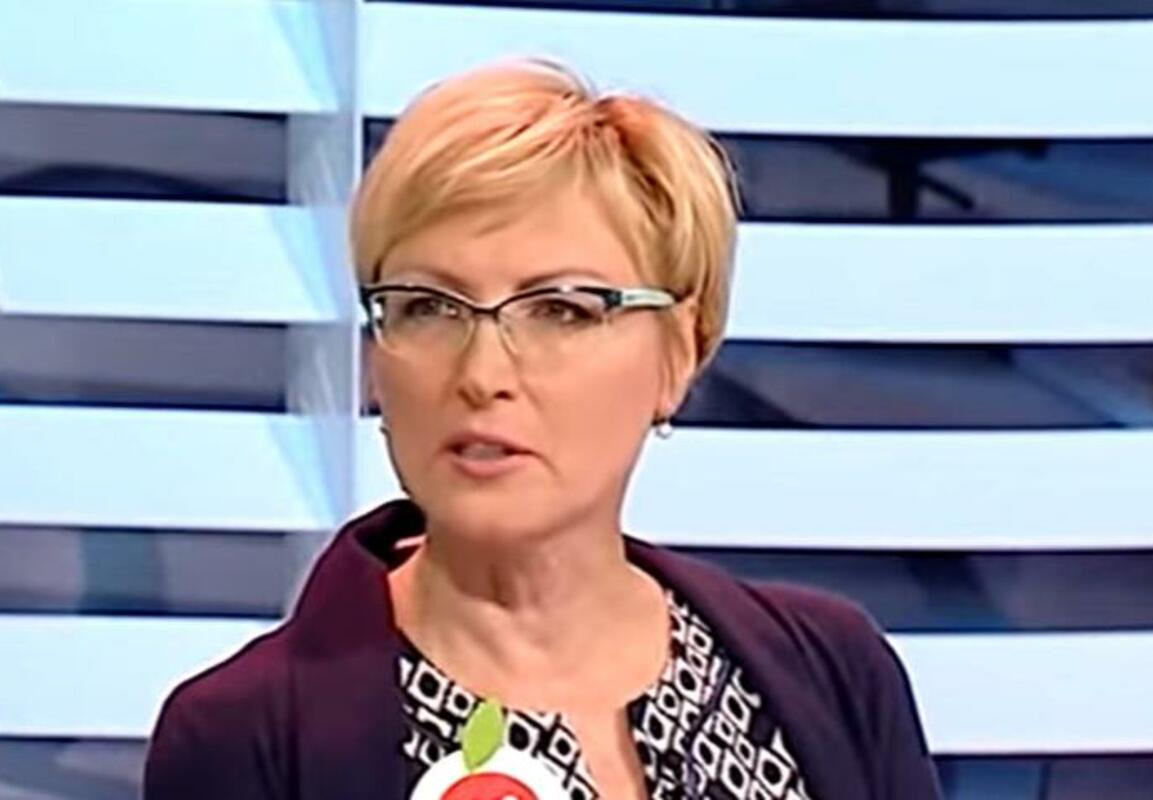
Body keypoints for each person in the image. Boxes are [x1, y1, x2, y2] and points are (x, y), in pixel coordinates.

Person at [144, 58, 942, 800]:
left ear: (679, 351)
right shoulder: (241, 736)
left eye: (560, 309)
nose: (482, 373)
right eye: (429, 307)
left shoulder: (834, 673)